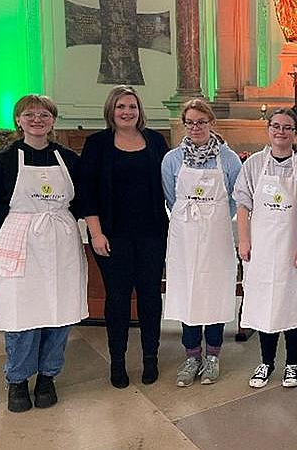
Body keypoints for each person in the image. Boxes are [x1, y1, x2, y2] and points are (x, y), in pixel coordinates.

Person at [0, 95, 87, 413]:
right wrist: (15, 231)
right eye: (30, 114)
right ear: (19, 120)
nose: (37, 119)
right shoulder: (3, 162)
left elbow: (82, 199)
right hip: (21, 240)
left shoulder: (68, 159)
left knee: (60, 312)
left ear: (53, 120)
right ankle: (17, 380)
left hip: (61, 243)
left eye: (44, 114)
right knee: (22, 313)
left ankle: (47, 377)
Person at [80, 85, 169, 388]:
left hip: (151, 233)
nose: (127, 112)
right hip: (111, 235)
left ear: (139, 111)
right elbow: (87, 192)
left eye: (132, 106)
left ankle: (150, 359)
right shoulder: (97, 144)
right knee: (117, 298)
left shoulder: (155, 141)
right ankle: (117, 362)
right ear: (111, 110)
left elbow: (170, 182)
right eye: (121, 106)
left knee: (150, 297)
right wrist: (96, 233)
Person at [161, 99, 241, 387]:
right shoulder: (172, 160)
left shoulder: (228, 159)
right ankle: (192, 355)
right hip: (185, 237)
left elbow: (235, 198)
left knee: (215, 293)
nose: (195, 127)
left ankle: (213, 355)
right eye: (190, 123)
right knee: (188, 294)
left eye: (201, 122)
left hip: (216, 236)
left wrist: (212, 215)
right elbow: (171, 197)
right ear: (184, 124)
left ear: (211, 123)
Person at [235, 108, 297, 389]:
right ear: (268, 130)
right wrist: (244, 241)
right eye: (276, 126)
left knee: (293, 304)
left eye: (287, 127)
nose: (281, 132)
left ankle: (292, 363)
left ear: (296, 133)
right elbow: (243, 205)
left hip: (294, 249)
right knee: (264, 305)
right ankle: (266, 362)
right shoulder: (254, 164)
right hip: (262, 250)